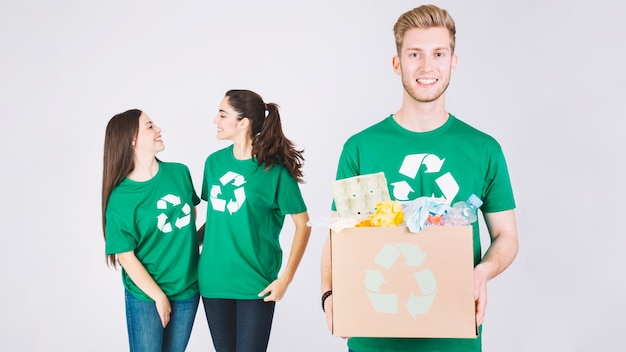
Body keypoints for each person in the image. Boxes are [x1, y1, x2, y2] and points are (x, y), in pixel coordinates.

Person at [320, 4, 519, 352]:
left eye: (438, 54)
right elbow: (341, 234)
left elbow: (506, 235)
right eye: (415, 54)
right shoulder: (362, 148)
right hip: (375, 334)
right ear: (397, 63)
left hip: (454, 336)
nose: (427, 67)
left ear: (453, 62)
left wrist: (482, 272)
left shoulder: (483, 149)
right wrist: (329, 294)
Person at [198, 89, 312, 352]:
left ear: (243, 122)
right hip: (213, 281)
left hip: (255, 284)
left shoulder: (274, 170)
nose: (215, 120)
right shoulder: (213, 163)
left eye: (222, 114)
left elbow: (303, 225)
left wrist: (285, 279)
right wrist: (183, 243)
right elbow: (217, 219)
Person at [101, 109, 201, 352]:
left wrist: (226, 225)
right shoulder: (121, 197)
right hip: (146, 296)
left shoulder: (179, 173)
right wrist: (159, 297)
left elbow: (188, 232)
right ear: (131, 139)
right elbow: (125, 256)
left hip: (187, 290)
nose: (158, 129)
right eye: (149, 126)